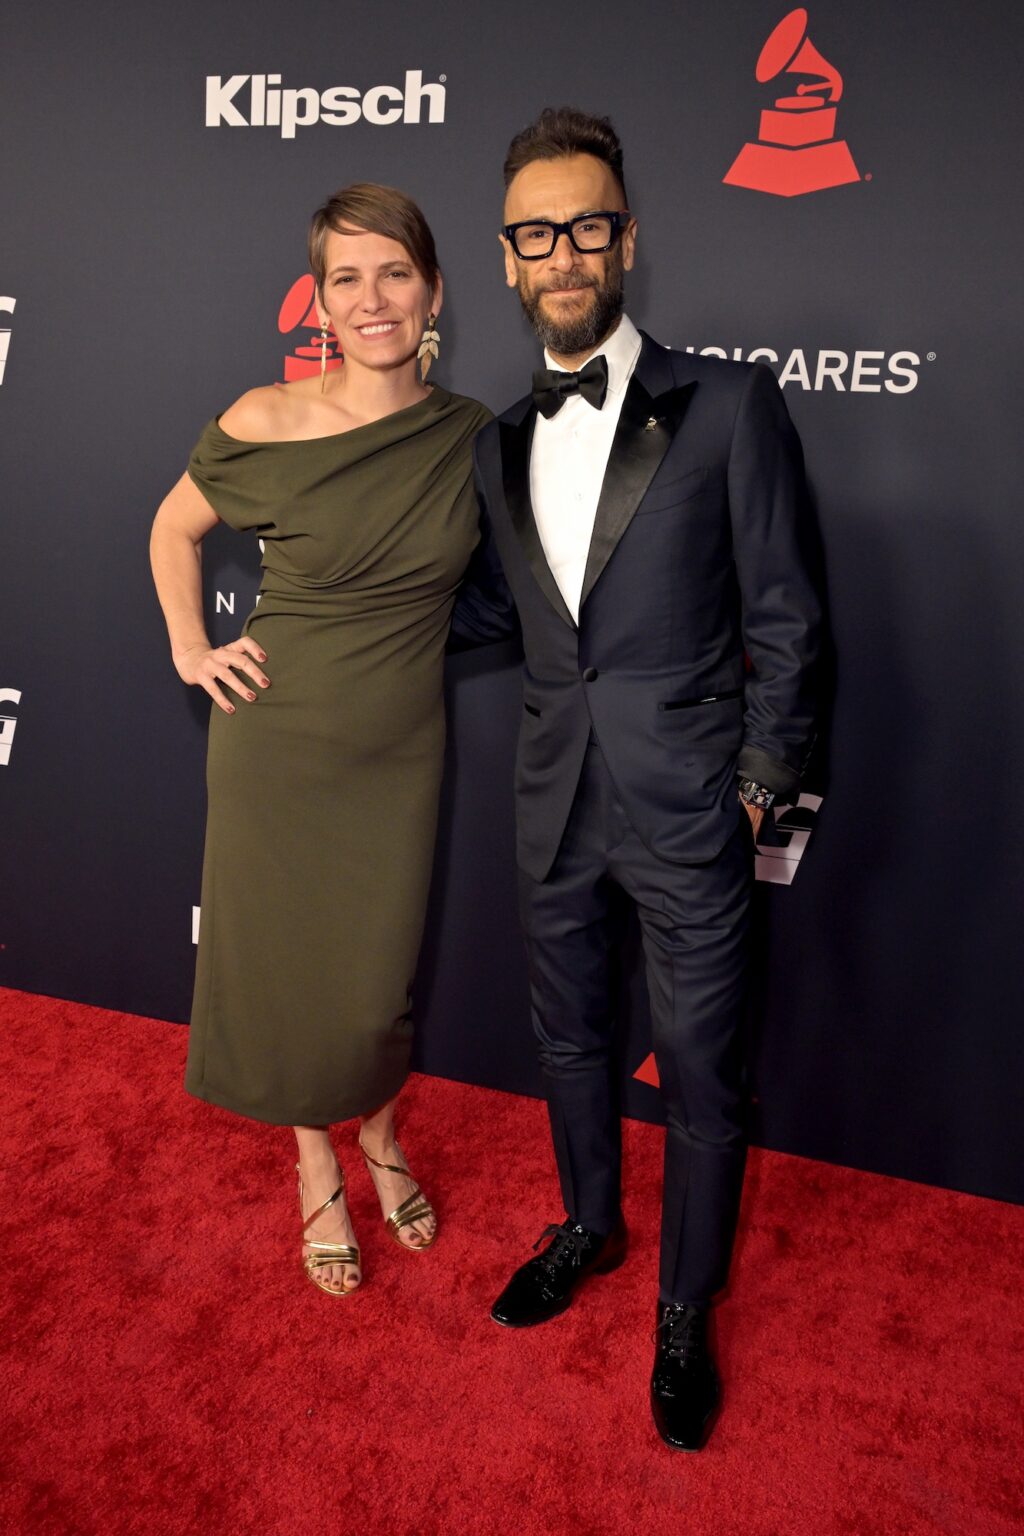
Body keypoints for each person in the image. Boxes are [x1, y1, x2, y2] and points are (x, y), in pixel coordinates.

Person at [452, 108, 820, 1449]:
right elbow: (503, 613)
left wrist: (759, 787)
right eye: (537, 233)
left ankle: (683, 1306)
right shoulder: (495, 444)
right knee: (571, 1041)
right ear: (506, 258)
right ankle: (589, 1226)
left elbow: (785, 609)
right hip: (552, 797)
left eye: (587, 225)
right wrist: (349, 627)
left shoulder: (727, 406)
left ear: (626, 239)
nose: (565, 253)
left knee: (707, 1072)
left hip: (690, 807)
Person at [150, 184, 490, 1297]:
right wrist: (191, 645)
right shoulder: (265, 416)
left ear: (433, 290)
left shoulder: (470, 437)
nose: (372, 296)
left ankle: (381, 1139)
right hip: (276, 739)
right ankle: (315, 1169)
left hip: (397, 750)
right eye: (346, 276)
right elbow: (174, 525)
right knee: (291, 971)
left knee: (372, 979)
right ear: (321, 301)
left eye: (394, 271)